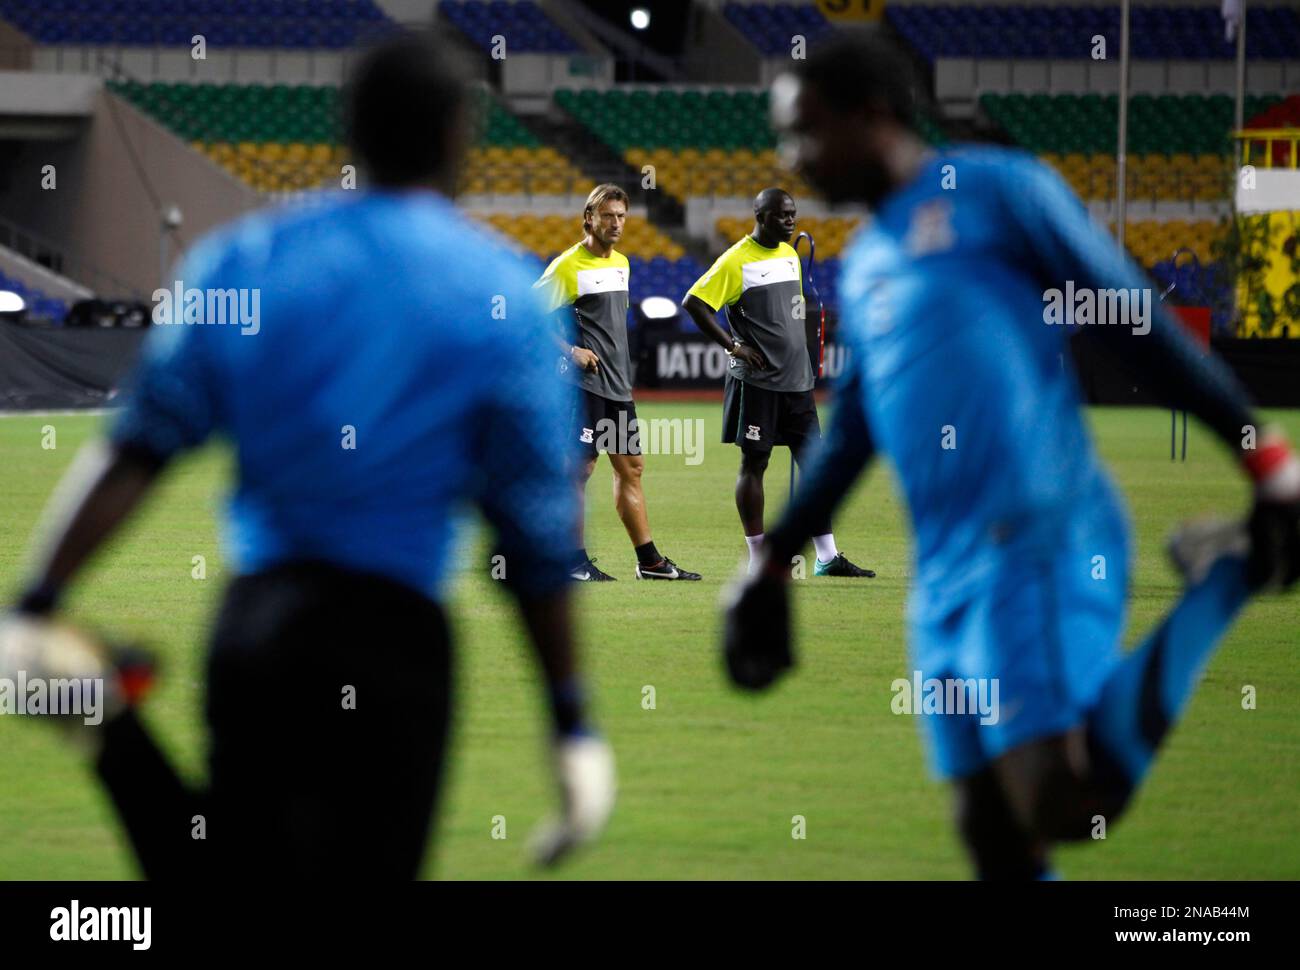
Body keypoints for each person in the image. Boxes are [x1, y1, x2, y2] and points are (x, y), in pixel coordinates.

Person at [0, 32, 614, 879]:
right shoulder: (499, 292)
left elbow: (137, 448)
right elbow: (536, 532)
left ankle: (110, 729)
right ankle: (109, 730)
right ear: (455, 135)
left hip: (260, 627)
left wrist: (35, 603)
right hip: (396, 639)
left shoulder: (246, 262)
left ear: (347, 133)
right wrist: (570, 719)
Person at [723, 33, 1300, 879]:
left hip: (1036, 541)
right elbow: (852, 433)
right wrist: (772, 566)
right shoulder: (874, 257)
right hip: (944, 580)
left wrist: (1267, 460)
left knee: (1069, 801)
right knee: (993, 838)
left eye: (803, 130)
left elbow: (1135, 320)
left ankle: (1231, 577)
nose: (791, 157)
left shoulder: (998, 192)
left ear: (874, 113)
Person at [682, 187, 874, 578]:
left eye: (793, 215)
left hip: (797, 381)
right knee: (755, 463)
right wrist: (734, 345)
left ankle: (826, 557)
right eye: (781, 216)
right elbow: (695, 303)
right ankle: (757, 560)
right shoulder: (735, 261)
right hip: (757, 383)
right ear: (760, 215)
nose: (790, 222)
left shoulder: (789, 255)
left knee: (815, 465)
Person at [533, 183, 701, 582]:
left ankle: (650, 562)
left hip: (617, 386)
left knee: (632, 468)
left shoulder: (622, 264)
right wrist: (569, 352)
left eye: (622, 216)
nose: (616, 223)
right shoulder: (567, 266)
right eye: (608, 215)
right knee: (579, 469)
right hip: (583, 386)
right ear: (589, 217)